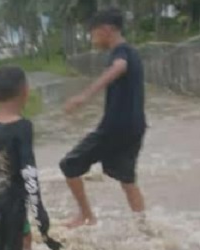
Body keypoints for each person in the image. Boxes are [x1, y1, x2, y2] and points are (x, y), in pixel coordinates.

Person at [60, 7, 147, 228]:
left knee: (69, 165)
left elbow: (119, 67)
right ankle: (143, 227)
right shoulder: (133, 52)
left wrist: (84, 96)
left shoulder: (120, 52)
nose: (92, 37)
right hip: (135, 127)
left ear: (106, 29)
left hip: (114, 128)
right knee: (127, 179)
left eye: (93, 32)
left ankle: (86, 215)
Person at [0, 66, 57, 250]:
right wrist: (39, 211)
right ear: (25, 92)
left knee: (19, 243)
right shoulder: (23, 127)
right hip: (14, 204)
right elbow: (28, 170)